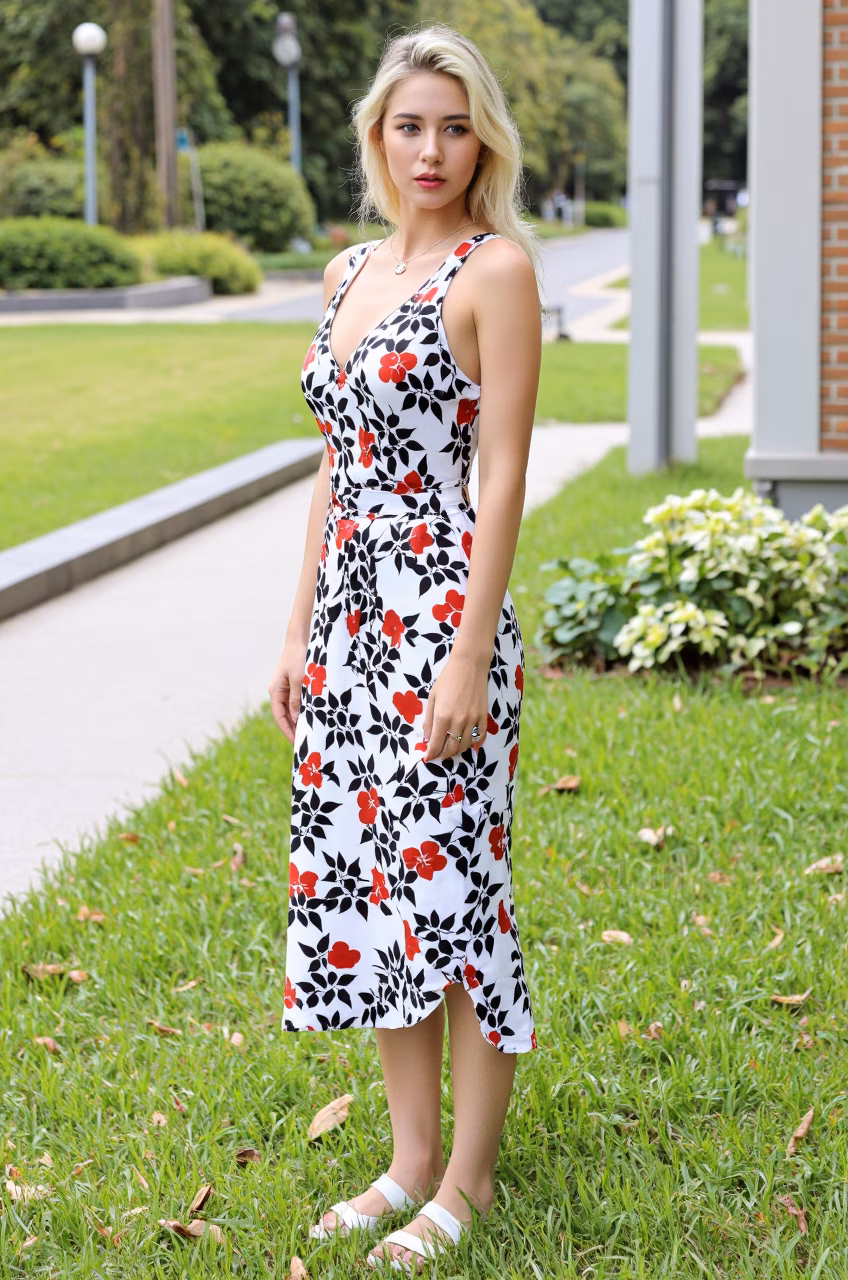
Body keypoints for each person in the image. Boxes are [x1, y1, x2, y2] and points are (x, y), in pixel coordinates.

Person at [268, 22, 542, 1273]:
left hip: (441, 617)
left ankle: (470, 1182)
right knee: (376, 898)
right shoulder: (346, 271)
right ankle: (410, 1158)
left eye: (451, 124)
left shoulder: (496, 272)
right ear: (377, 136)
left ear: (480, 135)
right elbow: (336, 458)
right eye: (406, 125)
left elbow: (501, 472)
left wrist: (471, 652)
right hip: (345, 629)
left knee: (456, 893)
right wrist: (295, 624)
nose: (429, 148)